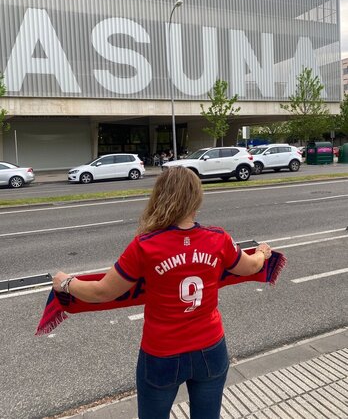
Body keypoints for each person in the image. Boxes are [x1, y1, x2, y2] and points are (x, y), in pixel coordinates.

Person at [53, 166, 271, 419]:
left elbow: (103, 292)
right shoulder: (218, 239)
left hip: (162, 353)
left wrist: (66, 282)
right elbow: (249, 267)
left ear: (159, 197)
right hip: (211, 347)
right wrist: (262, 253)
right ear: (196, 199)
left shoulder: (145, 245)